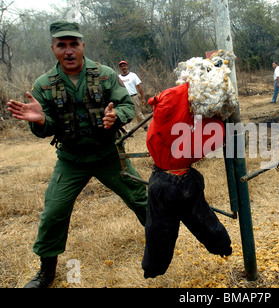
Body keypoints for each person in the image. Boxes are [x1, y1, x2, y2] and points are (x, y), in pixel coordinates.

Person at [7, 20, 148, 288]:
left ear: (83, 45)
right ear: (53, 49)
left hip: (109, 155)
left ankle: (160, 244)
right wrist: (39, 121)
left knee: (142, 199)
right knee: (53, 212)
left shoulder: (106, 75)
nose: (68, 51)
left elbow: (126, 105)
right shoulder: (44, 84)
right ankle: (46, 272)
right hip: (71, 160)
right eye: (62, 45)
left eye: (74, 44)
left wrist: (116, 115)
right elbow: (45, 127)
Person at [142, 55, 234, 278]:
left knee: (160, 229)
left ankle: (153, 269)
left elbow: (158, 105)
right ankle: (222, 246)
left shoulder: (172, 97)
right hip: (188, 178)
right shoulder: (214, 117)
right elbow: (210, 141)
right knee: (202, 217)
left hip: (163, 180)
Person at [118, 60, 148, 131]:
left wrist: (143, 98)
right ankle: (129, 131)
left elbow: (139, 87)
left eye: (124, 66)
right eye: (121, 66)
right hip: (124, 98)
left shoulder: (133, 75)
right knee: (126, 114)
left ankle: (145, 126)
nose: (123, 67)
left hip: (134, 97)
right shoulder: (118, 77)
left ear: (127, 66)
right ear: (120, 68)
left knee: (138, 113)